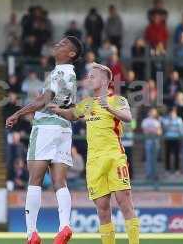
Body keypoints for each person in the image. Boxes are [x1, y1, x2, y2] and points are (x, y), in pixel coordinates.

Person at [49, 63, 140, 244]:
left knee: (125, 202)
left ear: (105, 80)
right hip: (94, 161)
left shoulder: (118, 100)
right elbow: (73, 114)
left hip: (115, 156)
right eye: (88, 76)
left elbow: (129, 118)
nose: (88, 79)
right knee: (103, 209)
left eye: (92, 76)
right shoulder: (87, 103)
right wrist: (57, 110)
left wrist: (109, 108)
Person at [6, 36, 83, 244]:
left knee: (35, 179)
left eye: (64, 44)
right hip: (64, 129)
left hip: (46, 126)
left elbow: (43, 100)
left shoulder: (58, 72)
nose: (58, 44)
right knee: (60, 181)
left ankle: (31, 233)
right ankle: (64, 225)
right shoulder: (71, 74)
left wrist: (18, 113)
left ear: (71, 54)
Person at [161, 107, 183, 174]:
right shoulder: (165, 119)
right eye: (171, 113)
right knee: (167, 154)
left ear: (176, 113)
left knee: (176, 154)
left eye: (173, 113)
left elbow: (180, 129)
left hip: (176, 139)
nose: (172, 114)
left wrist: (171, 126)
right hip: (168, 138)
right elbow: (165, 128)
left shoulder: (179, 119)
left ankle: (177, 169)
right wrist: (172, 125)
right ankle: (167, 169)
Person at [141, 108, 162, 181]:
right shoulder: (145, 121)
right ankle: (148, 175)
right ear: (149, 113)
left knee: (155, 159)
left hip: (156, 142)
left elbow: (159, 132)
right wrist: (154, 130)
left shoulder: (157, 121)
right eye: (152, 112)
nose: (154, 113)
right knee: (149, 159)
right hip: (148, 142)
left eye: (155, 112)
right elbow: (145, 131)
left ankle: (155, 174)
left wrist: (152, 130)